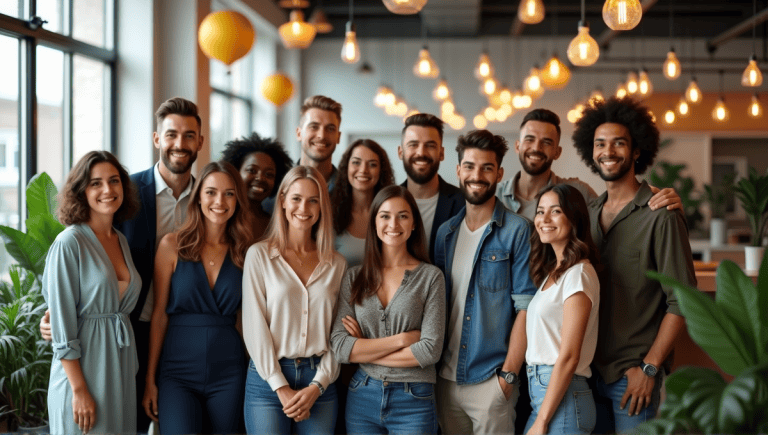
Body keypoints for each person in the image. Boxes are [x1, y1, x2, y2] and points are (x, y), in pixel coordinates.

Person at [40, 97, 204, 432]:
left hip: (178, 335)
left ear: (200, 141)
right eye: (171, 133)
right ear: (157, 138)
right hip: (130, 333)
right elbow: (73, 290)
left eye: (189, 135)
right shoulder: (128, 195)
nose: (179, 143)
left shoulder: (210, 197)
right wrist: (55, 318)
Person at [571, 97, 696, 434]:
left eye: (618, 143)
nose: (607, 151)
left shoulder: (660, 215)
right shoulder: (590, 214)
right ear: (590, 151)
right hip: (587, 373)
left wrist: (650, 368)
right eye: (600, 144)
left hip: (633, 378)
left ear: (637, 150)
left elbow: (681, 300)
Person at [433, 130, 537, 434]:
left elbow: (527, 308)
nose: (476, 175)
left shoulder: (518, 231)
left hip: (490, 380)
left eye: (487, 168)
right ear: (458, 170)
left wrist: (508, 377)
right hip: (445, 379)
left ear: (499, 173)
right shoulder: (446, 233)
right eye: (469, 166)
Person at [142, 161, 254, 434]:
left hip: (230, 370)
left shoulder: (246, 252)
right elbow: (159, 315)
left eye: (229, 193)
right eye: (211, 192)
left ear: (238, 200)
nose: (220, 201)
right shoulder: (171, 245)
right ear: (199, 196)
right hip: (177, 372)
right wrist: (149, 380)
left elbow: (246, 320)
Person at [330, 185, 446, 435]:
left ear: (414, 223)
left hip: (413, 400)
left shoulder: (431, 277)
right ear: (374, 222)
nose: (393, 223)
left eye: (403, 215)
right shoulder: (353, 277)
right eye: (385, 215)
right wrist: (403, 339)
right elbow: (340, 347)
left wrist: (362, 348)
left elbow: (428, 351)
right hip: (362, 395)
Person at [242, 166, 346, 434]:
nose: (304, 207)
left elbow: (340, 332)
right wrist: (280, 385)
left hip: (320, 380)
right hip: (267, 380)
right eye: (297, 198)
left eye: (314, 200)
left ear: (322, 206)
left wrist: (318, 384)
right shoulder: (259, 256)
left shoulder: (337, 264)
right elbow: (254, 326)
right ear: (283, 201)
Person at [43, 151, 141, 434]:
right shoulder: (69, 243)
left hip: (119, 372)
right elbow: (61, 325)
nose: (107, 190)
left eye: (114, 181)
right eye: (95, 183)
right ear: (80, 191)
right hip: (83, 375)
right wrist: (79, 390)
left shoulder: (120, 239)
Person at [496, 108, 682, 221]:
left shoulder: (578, 193)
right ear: (518, 146)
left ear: (557, 152)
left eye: (546, 142)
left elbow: (618, 216)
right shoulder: (493, 197)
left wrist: (662, 202)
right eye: (529, 140)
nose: (536, 148)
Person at [524, 184, 600, 435]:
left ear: (574, 218)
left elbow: (569, 356)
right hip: (544, 393)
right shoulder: (554, 273)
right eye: (540, 211)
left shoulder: (578, 274)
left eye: (555, 211)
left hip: (563, 396)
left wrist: (542, 421)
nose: (544, 219)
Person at [262, 95, 343, 214]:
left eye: (330, 129)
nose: (321, 135)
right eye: (314, 127)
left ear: (338, 137)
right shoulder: (275, 188)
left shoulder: (350, 190)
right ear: (299, 133)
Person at [398, 113, 464, 260]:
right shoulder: (386, 202)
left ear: (441, 153)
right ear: (400, 152)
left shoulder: (464, 203)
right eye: (413, 145)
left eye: (430, 145)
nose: (421, 152)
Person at [331, 139, 395, 267]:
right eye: (356, 162)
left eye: (372, 164)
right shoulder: (330, 212)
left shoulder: (392, 214)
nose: (363, 170)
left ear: (381, 171)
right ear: (346, 167)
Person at [221, 132, 293, 240]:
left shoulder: (276, 225)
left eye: (269, 174)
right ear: (235, 172)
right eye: (252, 170)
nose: (260, 178)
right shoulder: (222, 217)